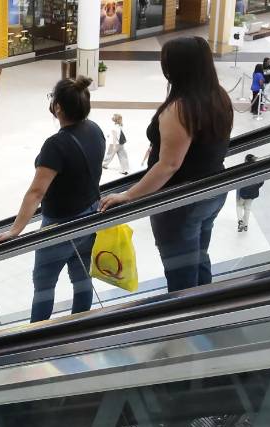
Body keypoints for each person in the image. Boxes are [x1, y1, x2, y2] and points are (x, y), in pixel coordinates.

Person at [101, 36, 233, 293]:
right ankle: (206, 304)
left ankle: (184, 314)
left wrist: (129, 195)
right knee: (199, 256)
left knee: (181, 272)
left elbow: (170, 164)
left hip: (181, 201)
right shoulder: (218, 96)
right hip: (213, 189)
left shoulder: (181, 109)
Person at [0, 77, 104, 323]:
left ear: (58, 107)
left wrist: (15, 231)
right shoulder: (94, 129)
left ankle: (38, 332)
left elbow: (36, 192)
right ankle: (81, 326)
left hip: (59, 226)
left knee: (44, 283)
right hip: (91, 217)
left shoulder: (56, 145)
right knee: (82, 277)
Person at [235, 154, 263, 233]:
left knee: (239, 205)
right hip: (253, 193)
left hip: (243, 192)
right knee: (248, 208)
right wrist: (255, 187)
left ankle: (240, 221)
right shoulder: (259, 169)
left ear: (246, 160)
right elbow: (261, 181)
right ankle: (246, 225)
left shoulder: (243, 168)